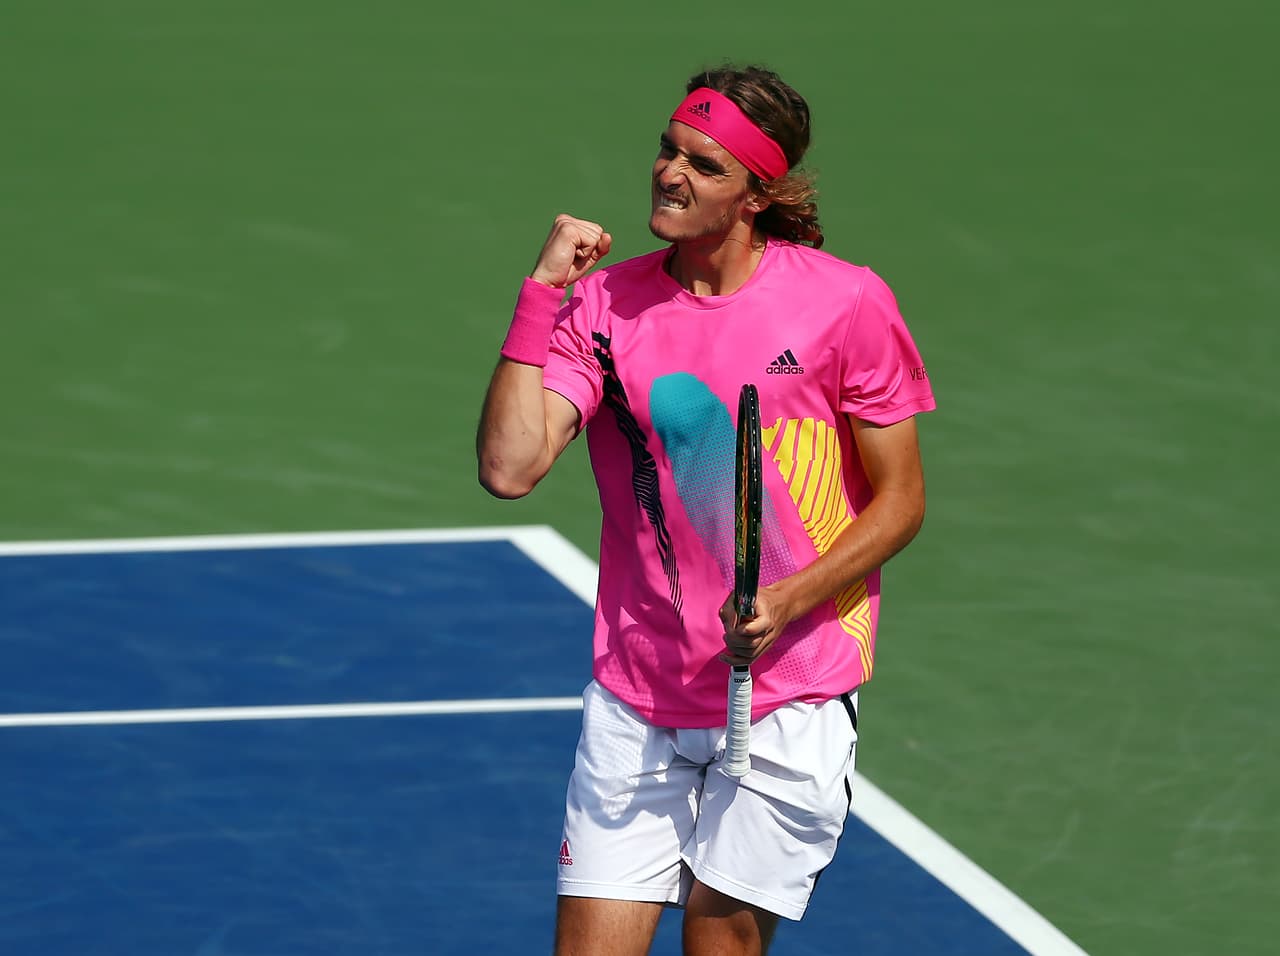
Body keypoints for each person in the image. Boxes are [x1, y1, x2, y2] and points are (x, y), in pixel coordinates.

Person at [476, 63, 936, 956]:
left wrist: (791, 597)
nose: (669, 172)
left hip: (785, 699)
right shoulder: (605, 306)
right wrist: (542, 297)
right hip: (637, 694)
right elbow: (509, 466)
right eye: (667, 149)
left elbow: (902, 502)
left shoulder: (845, 303)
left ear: (757, 195)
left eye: (703, 164)